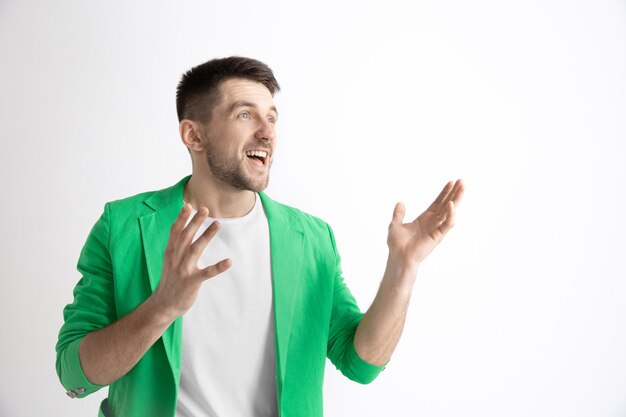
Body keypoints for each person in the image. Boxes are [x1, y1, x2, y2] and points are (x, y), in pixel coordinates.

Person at [55, 56, 465, 417]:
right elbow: (74, 374)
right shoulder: (123, 225)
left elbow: (361, 362)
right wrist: (162, 307)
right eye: (245, 115)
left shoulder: (311, 238)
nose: (267, 133)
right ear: (193, 135)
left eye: (271, 117)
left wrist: (404, 267)